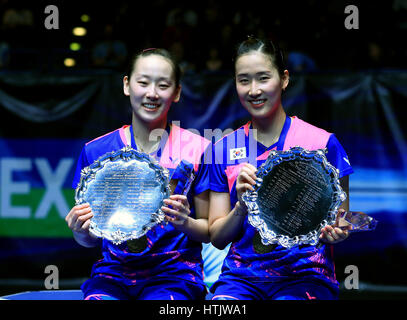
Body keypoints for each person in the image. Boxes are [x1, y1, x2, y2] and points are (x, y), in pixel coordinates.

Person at [208, 36, 354, 300]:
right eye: (244, 80)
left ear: (284, 79)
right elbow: (217, 238)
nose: (254, 90)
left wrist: (338, 232)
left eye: (263, 78)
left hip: (306, 276)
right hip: (241, 280)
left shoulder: (322, 143)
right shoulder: (222, 150)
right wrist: (241, 206)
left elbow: (342, 219)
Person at [66, 48, 211, 300]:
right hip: (112, 276)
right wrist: (80, 232)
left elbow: (209, 230)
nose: (152, 93)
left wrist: (185, 221)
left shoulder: (199, 149)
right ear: (127, 85)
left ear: (176, 92)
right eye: (143, 83)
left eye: (163, 85)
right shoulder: (96, 152)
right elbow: (90, 239)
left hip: (175, 277)